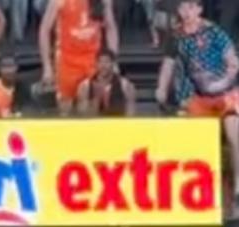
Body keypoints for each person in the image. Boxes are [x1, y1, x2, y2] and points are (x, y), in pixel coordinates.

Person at [155, 0, 239, 205]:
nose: (187, 12)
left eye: (191, 7)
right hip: (195, 96)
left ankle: (238, 183)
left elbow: (233, 62)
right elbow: (168, 64)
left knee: (234, 133)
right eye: (183, 7)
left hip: (225, 93)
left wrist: (222, 83)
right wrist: (161, 88)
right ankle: (197, 185)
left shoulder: (214, 32)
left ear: (199, 9)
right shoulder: (176, 36)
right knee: (193, 137)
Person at [39, 0, 119, 115]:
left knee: (91, 105)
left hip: (93, 60)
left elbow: (111, 28)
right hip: (67, 60)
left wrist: (113, 61)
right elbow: (44, 30)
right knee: (65, 108)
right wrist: (47, 66)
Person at [77, 49, 136, 116]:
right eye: (100, 62)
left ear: (113, 63)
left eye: (106, 62)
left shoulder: (125, 85)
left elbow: (130, 111)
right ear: (96, 64)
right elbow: (82, 113)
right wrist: (96, 101)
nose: (103, 65)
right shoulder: (85, 86)